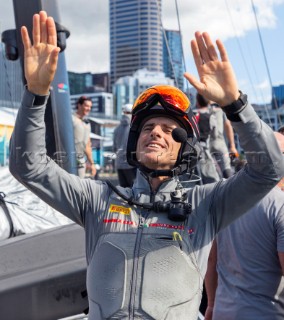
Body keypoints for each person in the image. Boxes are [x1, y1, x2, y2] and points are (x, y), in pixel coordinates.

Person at [9, 11, 284, 319]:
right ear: (135, 142)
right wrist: (36, 93)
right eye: (149, 126)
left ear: (185, 150)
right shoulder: (98, 199)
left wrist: (235, 103)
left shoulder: (206, 204)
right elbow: (28, 166)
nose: (155, 132)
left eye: (169, 130)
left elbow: (269, 170)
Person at [204, 132, 284, 320]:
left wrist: (211, 305)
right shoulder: (280, 204)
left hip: (223, 312)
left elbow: (211, 260)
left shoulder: (223, 197)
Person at [195, 93, 220, 184]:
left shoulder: (193, 115)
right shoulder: (211, 117)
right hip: (205, 150)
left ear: (197, 102)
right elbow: (215, 135)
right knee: (211, 176)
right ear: (208, 102)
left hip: (191, 150)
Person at [209, 102, 238, 178]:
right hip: (219, 142)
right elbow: (228, 126)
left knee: (209, 171)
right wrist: (232, 146)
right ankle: (229, 186)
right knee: (226, 168)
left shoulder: (198, 111)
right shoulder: (221, 110)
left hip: (206, 144)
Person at [72, 96, 96, 178]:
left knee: (79, 186)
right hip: (68, 158)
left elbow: (87, 145)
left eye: (90, 107)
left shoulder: (87, 124)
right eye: (86, 106)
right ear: (79, 105)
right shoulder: (71, 119)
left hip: (81, 160)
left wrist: (92, 163)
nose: (89, 108)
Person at [113, 103, 136, 187]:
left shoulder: (117, 129)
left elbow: (114, 147)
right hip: (131, 165)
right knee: (134, 191)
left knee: (124, 192)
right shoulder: (134, 127)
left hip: (119, 164)